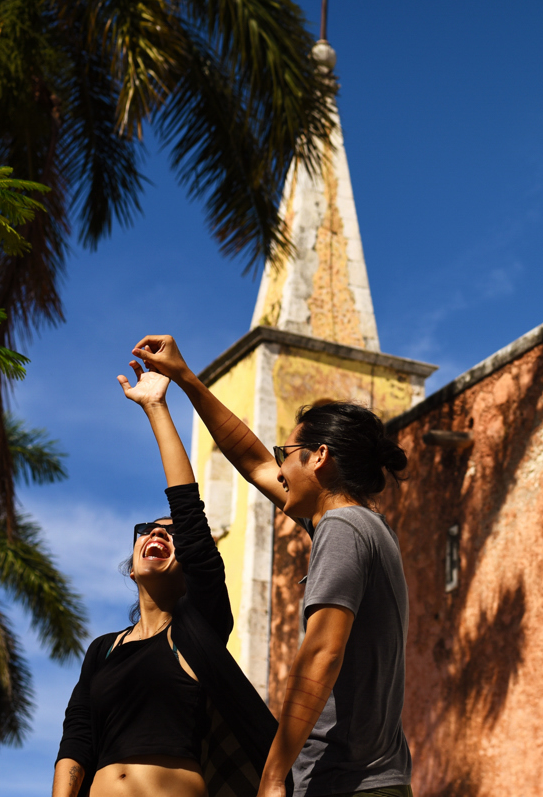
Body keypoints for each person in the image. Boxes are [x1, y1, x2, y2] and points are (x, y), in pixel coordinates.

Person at [132, 334, 414, 797]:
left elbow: (322, 652)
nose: (279, 469)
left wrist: (271, 774)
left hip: (345, 785)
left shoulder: (342, 529)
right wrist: (185, 379)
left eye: (287, 455)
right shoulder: (365, 527)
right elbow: (252, 461)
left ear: (320, 457)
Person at [53, 361, 281, 797]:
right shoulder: (103, 650)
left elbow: (189, 512)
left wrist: (157, 407)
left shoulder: (199, 631)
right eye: (148, 529)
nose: (158, 532)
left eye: (172, 533)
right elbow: (78, 735)